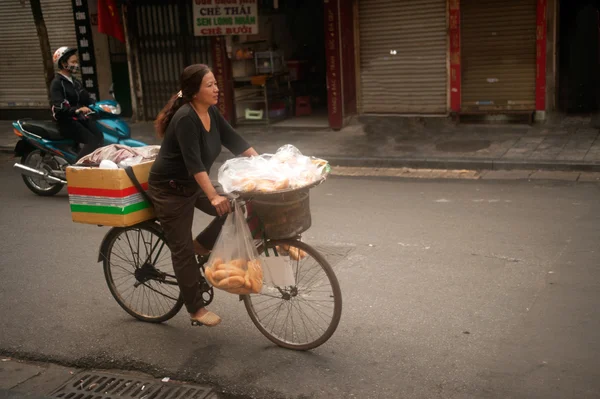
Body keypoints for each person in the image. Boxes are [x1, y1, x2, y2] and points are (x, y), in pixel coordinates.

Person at [148, 64, 259, 327]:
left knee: (235, 206)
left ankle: (203, 245)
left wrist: (268, 165)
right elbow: (193, 163)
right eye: (210, 85)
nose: (217, 89)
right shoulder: (186, 118)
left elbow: (236, 142)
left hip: (193, 183)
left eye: (216, 84)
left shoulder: (210, 112)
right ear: (194, 91)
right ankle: (195, 309)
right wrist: (212, 196)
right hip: (170, 189)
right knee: (182, 250)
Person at [50, 46, 103, 160]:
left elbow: (86, 98)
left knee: (100, 137)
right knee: (92, 141)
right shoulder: (57, 83)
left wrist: (101, 105)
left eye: (76, 61)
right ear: (64, 64)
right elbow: (59, 108)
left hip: (80, 118)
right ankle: (76, 169)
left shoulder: (75, 81)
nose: (76, 64)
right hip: (66, 122)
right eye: (73, 62)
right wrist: (77, 110)